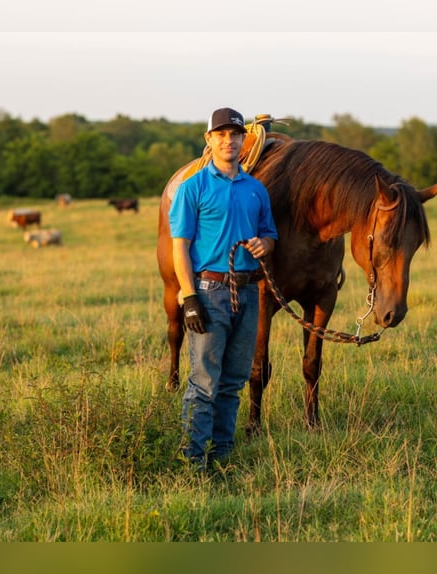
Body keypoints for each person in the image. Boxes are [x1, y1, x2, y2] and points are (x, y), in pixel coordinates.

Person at [169, 107, 278, 469]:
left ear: (243, 140)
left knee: (233, 382)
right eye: (221, 135)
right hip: (208, 290)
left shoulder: (256, 190)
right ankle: (193, 463)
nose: (228, 141)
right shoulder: (193, 188)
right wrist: (189, 298)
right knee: (204, 383)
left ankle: (222, 459)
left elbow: (270, 236)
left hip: (248, 292)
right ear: (209, 140)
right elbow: (180, 247)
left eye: (234, 134)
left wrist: (265, 244)